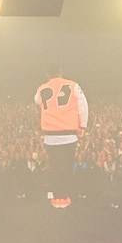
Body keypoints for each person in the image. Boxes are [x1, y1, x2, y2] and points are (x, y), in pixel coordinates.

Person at [34, 71, 86, 209]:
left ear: (48, 76)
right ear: (61, 74)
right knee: (67, 167)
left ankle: (57, 198)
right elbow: (83, 105)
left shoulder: (41, 88)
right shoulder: (73, 85)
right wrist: (82, 126)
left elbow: (36, 100)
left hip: (50, 136)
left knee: (55, 167)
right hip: (69, 135)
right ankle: (66, 196)